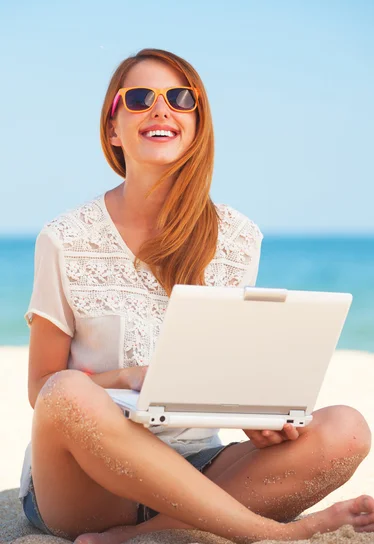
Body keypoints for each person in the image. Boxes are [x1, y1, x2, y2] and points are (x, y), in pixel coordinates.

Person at [19, 48, 373, 543]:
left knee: (347, 428)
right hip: (88, 483)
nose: (160, 109)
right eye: (140, 98)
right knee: (66, 393)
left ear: (196, 124)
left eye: (179, 98)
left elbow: (230, 367)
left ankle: (147, 534)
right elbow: (42, 390)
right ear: (113, 127)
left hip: (201, 465)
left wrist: (256, 416)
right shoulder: (64, 238)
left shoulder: (238, 236)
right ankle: (264, 532)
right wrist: (125, 377)